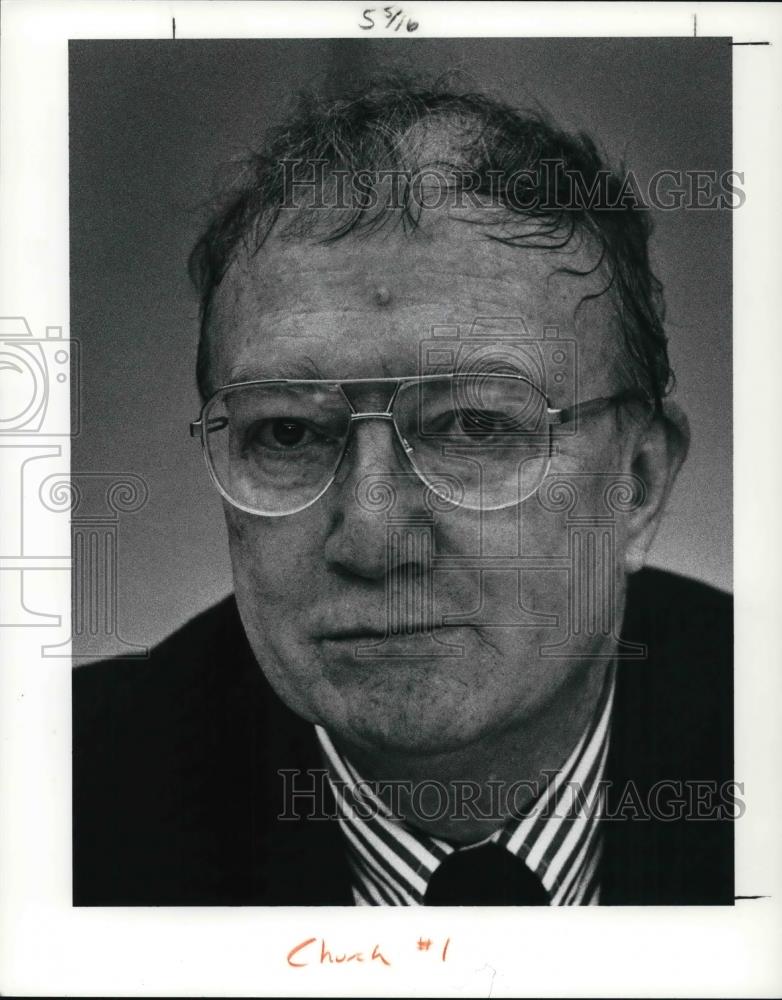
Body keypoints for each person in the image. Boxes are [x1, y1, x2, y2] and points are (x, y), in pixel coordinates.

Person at [73, 79, 734, 906]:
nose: (373, 539)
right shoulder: (50, 807)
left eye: (474, 427)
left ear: (635, 485)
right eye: (287, 432)